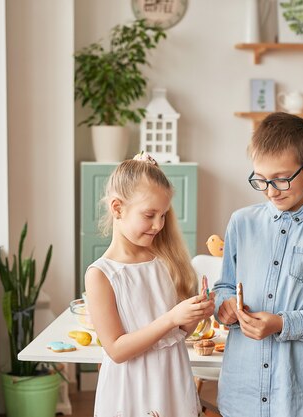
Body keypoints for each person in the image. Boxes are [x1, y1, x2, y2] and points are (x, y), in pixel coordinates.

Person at [213, 112, 303, 417]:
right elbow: (224, 287)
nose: (271, 191)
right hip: (241, 396)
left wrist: (282, 324)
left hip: (300, 400)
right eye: (261, 180)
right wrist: (224, 305)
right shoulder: (241, 223)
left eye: (281, 179)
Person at [85, 152, 215, 417]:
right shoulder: (101, 274)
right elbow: (117, 350)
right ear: (117, 208)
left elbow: (173, 336)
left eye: (164, 215)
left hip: (171, 379)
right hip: (133, 389)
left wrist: (193, 316)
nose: (158, 225)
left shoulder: (164, 261)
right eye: (149, 215)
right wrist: (171, 318)